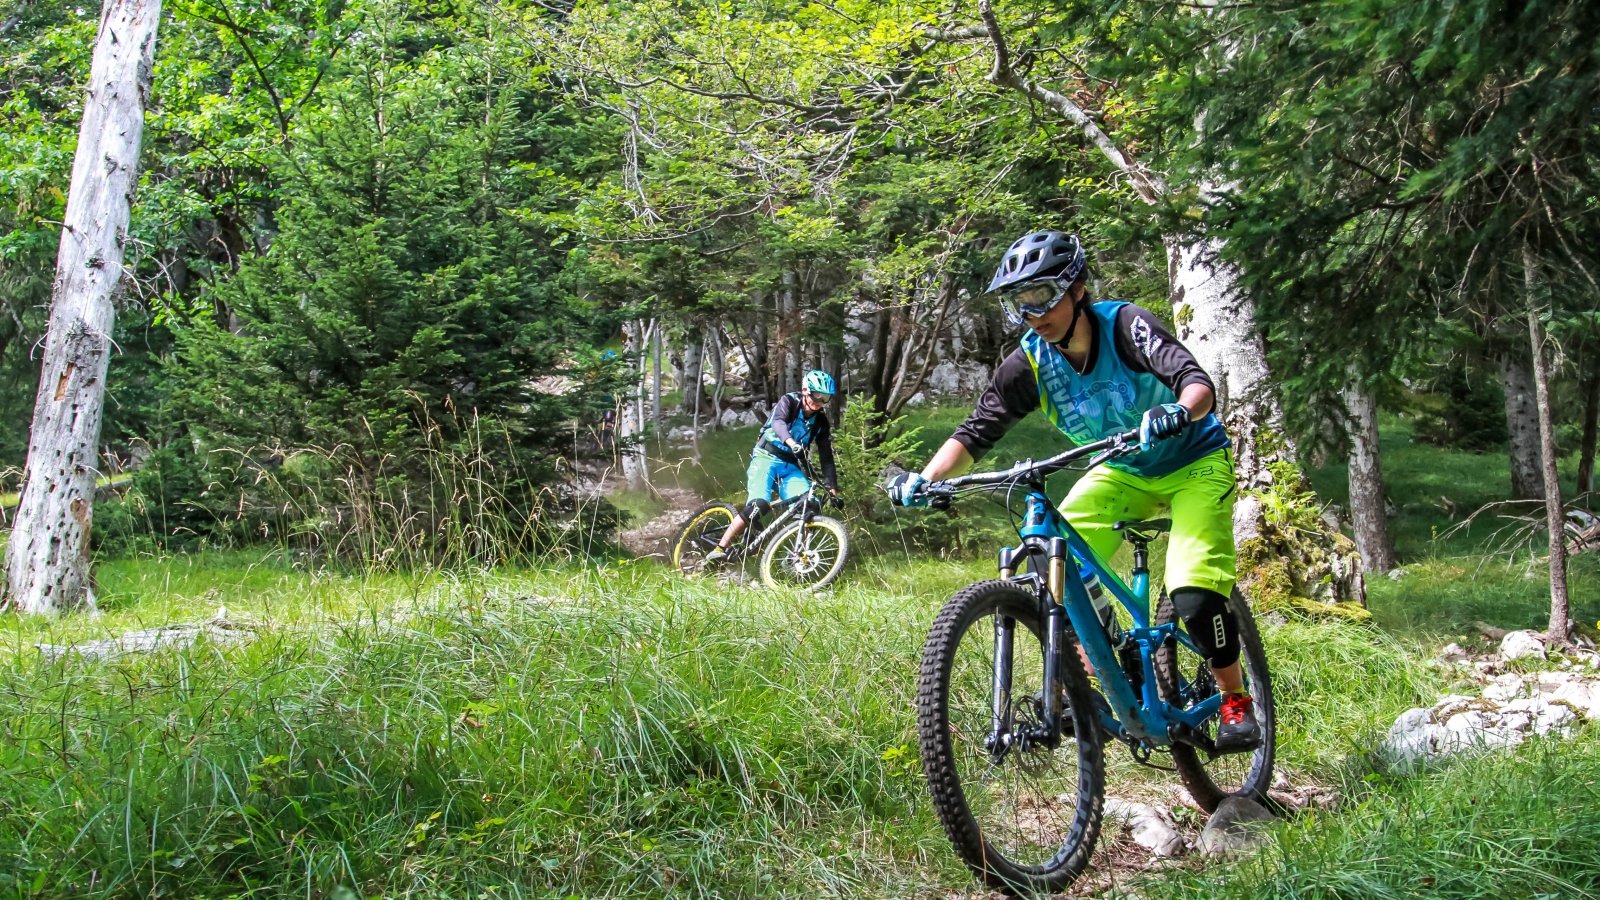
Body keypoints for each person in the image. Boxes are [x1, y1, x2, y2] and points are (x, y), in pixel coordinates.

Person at [886, 230, 1260, 753]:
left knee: (1193, 595)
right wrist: (925, 480)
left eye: (1044, 296)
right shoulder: (1031, 361)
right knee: (1052, 561)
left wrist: (1178, 409)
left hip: (1194, 461)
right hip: (1123, 470)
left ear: (1077, 288)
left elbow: (1196, 383)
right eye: (1022, 301)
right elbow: (976, 431)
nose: (1034, 312)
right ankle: (1109, 661)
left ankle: (1235, 699)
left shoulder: (1126, 326)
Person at [705, 370, 841, 563]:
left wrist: (832, 487)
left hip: (790, 466)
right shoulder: (790, 402)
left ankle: (796, 556)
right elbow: (778, 423)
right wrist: (791, 442)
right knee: (758, 505)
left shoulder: (820, 422)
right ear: (805, 390)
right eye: (816, 395)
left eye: (825, 398)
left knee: (810, 505)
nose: (819, 401)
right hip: (765, 457)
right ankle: (720, 548)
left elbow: (826, 456)